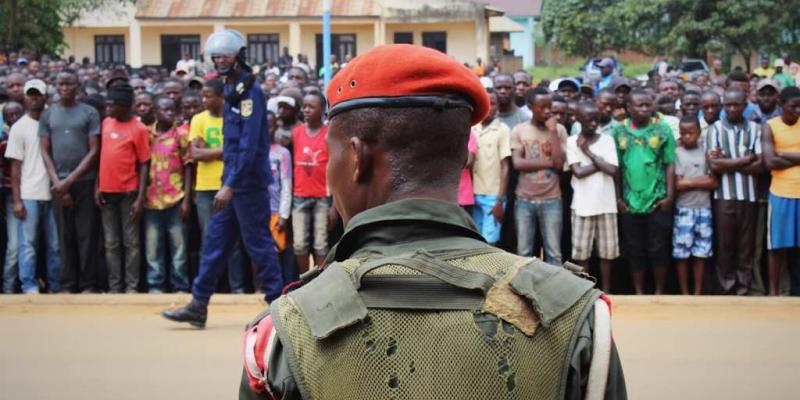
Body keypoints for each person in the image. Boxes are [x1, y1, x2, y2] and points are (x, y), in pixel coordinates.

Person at [238, 43, 625, 400]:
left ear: (356, 159)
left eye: (331, 154)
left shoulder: (286, 332)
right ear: (460, 158)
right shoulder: (575, 315)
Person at [162, 30, 282, 328]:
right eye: (216, 57)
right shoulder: (230, 87)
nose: (220, 60)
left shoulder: (249, 90)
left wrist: (230, 184)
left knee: (258, 244)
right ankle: (198, 304)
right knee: (214, 242)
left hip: (247, 182)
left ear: (239, 54)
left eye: (225, 55)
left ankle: (280, 308)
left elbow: (249, 144)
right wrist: (228, 182)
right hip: (231, 180)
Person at [39, 70, 101, 293]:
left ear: (77, 86)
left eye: (69, 84)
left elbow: (94, 150)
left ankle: (88, 284)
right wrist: (59, 182)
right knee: (64, 237)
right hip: (58, 183)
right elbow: (45, 151)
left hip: (84, 181)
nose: (64, 88)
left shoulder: (89, 112)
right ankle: (67, 284)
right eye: (60, 84)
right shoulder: (48, 115)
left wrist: (71, 180)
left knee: (86, 235)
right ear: (55, 86)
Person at [612, 89, 676, 295]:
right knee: (634, 249)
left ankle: (658, 292)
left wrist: (670, 196)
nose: (644, 109)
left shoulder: (663, 130)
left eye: (648, 105)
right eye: (639, 105)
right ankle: (639, 293)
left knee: (658, 248)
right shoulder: (619, 132)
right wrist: (618, 197)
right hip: (630, 201)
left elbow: (669, 164)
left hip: (657, 200)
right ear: (628, 108)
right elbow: (617, 167)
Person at [189, 78, 245, 293]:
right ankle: (209, 290)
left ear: (221, 97)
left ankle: (237, 288)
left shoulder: (233, 117)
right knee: (209, 241)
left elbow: (240, 150)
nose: (204, 100)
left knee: (234, 243)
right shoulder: (198, 120)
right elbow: (194, 154)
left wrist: (209, 152)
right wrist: (225, 150)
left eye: (208, 96)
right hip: (205, 188)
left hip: (229, 186)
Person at [706, 87, 763, 295]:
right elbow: (715, 167)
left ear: (745, 105)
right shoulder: (715, 129)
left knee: (746, 246)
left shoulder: (756, 129)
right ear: (723, 106)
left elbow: (761, 165)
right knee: (725, 245)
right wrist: (746, 159)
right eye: (727, 104)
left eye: (735, 104)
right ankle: (726, 289)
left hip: (748, 196)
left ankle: (743, 288)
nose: (731, 108)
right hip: (724, 197)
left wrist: (727, 161)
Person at [6, 79, 60, 294]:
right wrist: (17, 200)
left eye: (38, 94)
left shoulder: (54, 120)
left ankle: (55, 285)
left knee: (55, 245)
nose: (34, 98)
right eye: (30, 94)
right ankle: (28, 286)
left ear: (45, 97)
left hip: (54, 192)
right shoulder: (19, 128)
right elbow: (15, 167)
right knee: (27, 245)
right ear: (25, 97)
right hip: (29, 193)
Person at [96, 84, 150, 293]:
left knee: (131, 243)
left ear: (124, 106)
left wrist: (140, 198)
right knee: (111, 243)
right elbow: (102, 157)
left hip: (129, 192)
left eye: (112, 104)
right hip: (106, 191)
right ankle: (115, 286)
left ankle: (131, 287)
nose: (108, 108)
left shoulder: (139, 129)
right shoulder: (106, 123)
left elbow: (145, 162)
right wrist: (97, 186)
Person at [566, 102, 619, 293]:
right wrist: (600, 162)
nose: (593, 123)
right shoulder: (572, 141)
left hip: (607, 204)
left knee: (607, 253)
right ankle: (584, 292)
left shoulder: (608, 140)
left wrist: (588, 152)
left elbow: (613, 170)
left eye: (596, 119)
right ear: (579, 120)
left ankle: (606, 290)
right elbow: (578, 172)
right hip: (582, 204)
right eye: (589, 119)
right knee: (582, 254)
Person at [511, 87, 567, 264]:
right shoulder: (519, 130)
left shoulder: (559, 130)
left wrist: (552, 132)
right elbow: (518, 163)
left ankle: (555, 291)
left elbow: (560, 165)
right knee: (524, 252)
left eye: (549, 106)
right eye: (541, 107)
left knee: (554, 253)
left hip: (552, 199)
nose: (547, 111)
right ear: (530, 107)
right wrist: (549, 163)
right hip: (524, 199)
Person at [143, 96, 192, 293]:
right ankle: (156, 286)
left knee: (178, 248)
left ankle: (180, 285)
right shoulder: (147, 135)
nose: (170, 114)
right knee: (153, 248)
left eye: (172, 110)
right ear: (155, 112)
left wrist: (187, 199)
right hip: (152, 200)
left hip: (176, 198)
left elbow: (188, 167)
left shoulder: (181, 135)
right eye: (165, 110)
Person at [762, 86, 800, 296]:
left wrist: (783, 153)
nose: (797, 111)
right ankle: (774, 293)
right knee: (777, 246)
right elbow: (769, 161)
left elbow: (776, 157)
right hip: (780, 193)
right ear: (781, 106)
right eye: (793, 107)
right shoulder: (770, 126)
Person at [673, 116, 717, 295]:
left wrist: (688, 182)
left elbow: (714, 182)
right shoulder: (676, 152)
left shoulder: (706, 152)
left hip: (704, 208)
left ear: (699, 133)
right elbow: (678, 185)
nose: (687, 136)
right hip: (683, 209)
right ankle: (685, 293)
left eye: (691, 132)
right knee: (682, 254)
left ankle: (697, 293)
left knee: (701, 253)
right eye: (683, 133)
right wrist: (702, 180)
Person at [291, 92, 330, 274]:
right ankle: (303, 281)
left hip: (322, 197)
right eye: (304, 106)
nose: (306, 110)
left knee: (320, 243)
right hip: (299, 195)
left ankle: (318, 281)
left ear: (322, 110)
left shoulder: (329, 134)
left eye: (311, 107)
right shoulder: (296, 133)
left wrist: (335, 205)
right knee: (299, 244)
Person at [472, 91, 511, 246]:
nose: (488, 108)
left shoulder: (502, 130)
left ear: (498, 107)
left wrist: (500, 200)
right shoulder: (472, 128)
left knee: (490, 242)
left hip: (492, 196)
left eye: (492, 104)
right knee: (475, 239)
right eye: (485, 103)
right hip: (473, 194)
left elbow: (505, 166)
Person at [267, 110, 293, 282]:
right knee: (258, 253)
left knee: (276, 252)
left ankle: (275, 290)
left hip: (275, 211)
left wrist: (284, 214)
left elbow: (286, 184)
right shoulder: (253, 150)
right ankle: (258, 291)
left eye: (270, 126)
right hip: (257, 211)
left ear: (276, 127)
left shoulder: (282, 153)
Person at [1, 101, 23, 293]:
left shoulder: (33, 132)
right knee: (14, 248)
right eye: (10, 115)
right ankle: (8, 289)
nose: (14, 118)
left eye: (18, 114)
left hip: (34, 192)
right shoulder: (3, 140)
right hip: (11, 196)